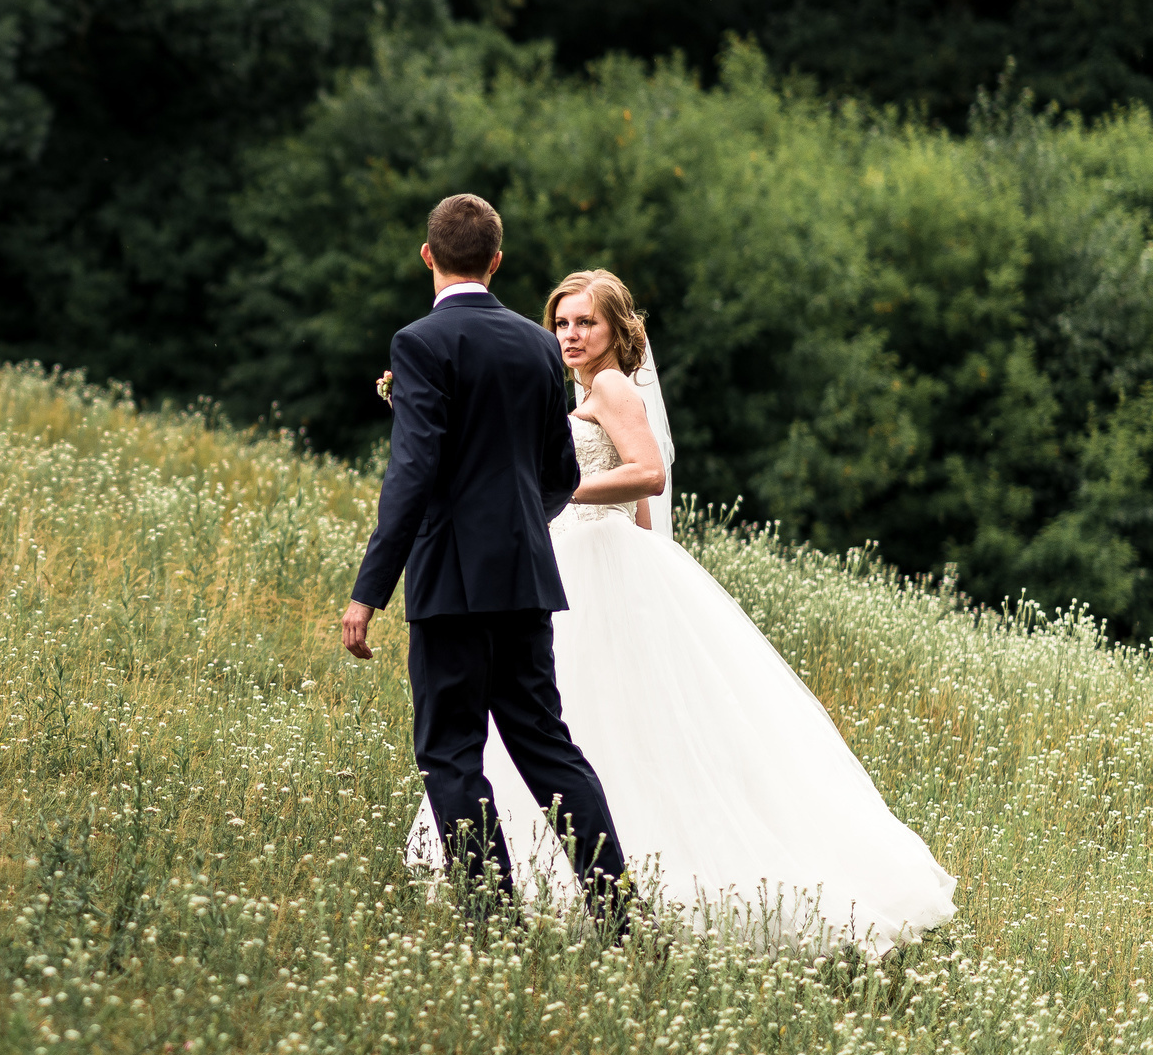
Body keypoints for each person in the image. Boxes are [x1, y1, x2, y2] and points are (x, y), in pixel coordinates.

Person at [403, 268, 958, 953]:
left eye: (586, 323)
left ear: (615, 331)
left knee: (560, 729)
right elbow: (641, 512)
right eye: (562, 323)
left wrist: (561, 492)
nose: (571, 335)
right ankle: (602, 886)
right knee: (591, 725)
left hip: (590, 554)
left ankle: (587, 890)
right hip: (589, 554)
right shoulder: (583, 390)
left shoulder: (608, 386)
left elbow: (648, 472)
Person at [341, 195, 630, 925]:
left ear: (427, 255)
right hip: (527, 575)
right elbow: (559, 475)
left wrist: (367, 592)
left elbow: (411, 477)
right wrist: (514, 529)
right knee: (547, 748)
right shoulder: (538, 346)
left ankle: (494, 919)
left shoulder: (419, 343)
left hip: (448, 585)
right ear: (496, 260)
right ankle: (620, 912)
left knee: (451, 752)